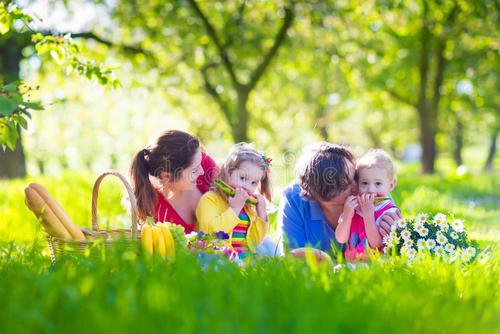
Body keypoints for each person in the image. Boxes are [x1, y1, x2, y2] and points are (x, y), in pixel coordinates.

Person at [277, 142, 401, 254]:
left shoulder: (371, 191)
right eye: (344, 184)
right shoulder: (294, 200)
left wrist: (395, 233)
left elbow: (391, 248)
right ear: (318, 192)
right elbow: (292, 258)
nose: (356, 187)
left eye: (356, 177)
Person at [130, 130, 218, 233]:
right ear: (166, 176)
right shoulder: (154, 210)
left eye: (200, 164)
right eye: (194, 170)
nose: (202, 172)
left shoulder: (204, 163)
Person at [196, 143, 272, 258]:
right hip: (218, 256)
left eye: (253, 183)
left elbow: (254, 243)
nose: (247, 186)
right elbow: (211, 233)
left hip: (243, 259)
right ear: (228, 173)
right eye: (242, 178)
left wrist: (261, 215)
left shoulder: (247, 208)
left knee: (268, 253)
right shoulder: (210, 199)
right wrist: (234, 209)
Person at [335, 149, 399, 261]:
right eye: (364, 183)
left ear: (391, 185)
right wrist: (347, 215)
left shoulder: (389, 211)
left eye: (378, 183)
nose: (371, 189)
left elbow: (376, 243)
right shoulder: (354, 205)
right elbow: (341, 239)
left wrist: (368, 215)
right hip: (352, 262)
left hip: (376, 264)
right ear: (357, 183)